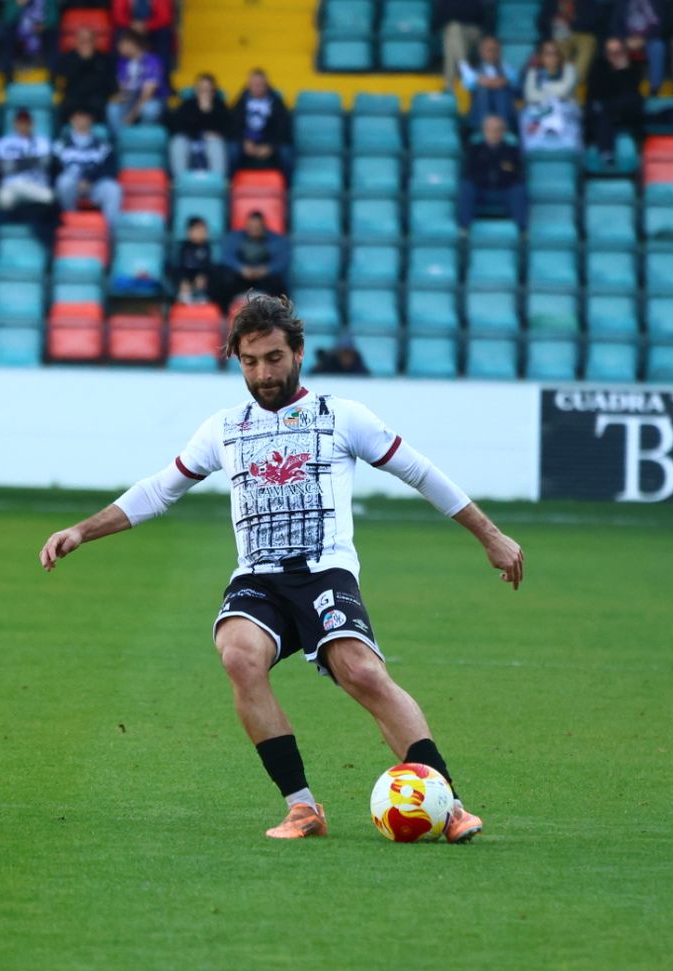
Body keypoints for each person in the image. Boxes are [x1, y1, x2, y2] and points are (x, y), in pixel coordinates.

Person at [38, 294, 520, 841]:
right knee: (238, 655)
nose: (263, 373)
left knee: (360, 671)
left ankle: (449, 805)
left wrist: (491, 535)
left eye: (273, 358)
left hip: (324, 571)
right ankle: (303, 808)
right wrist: (82, 529)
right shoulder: (225, 427)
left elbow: (422, 474)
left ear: (298, 352)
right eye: (249, 361)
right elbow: (158, 491)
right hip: (258, 577)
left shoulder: (342, 416)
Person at [458, 114, 528, 231]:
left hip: (504, 190)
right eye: (490, 130)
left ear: (503, 132)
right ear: (484, 131)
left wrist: (498, 175)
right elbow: (470, 173)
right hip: (482, 190)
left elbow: (517, 174)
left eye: (497, 130)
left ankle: (522, 231)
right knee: (466, 187)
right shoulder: (475, 150)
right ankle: (464, 228)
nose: (494, 133)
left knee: (519, 190)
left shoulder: (511, 151)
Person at [53, 106, 121, 225]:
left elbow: (110, 169)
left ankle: (111, 234)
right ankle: (69, 222)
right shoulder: (60, 144)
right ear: (72, 120)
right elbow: (53, 169)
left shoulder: (102, 146)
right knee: (64, 182)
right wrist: (78, 181)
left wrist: (89, 180)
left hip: (94, 186)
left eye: (84, 117)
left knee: (113, 189)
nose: (81, 120)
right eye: (77, 117)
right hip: (71, 188)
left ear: (90, 120)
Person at [585, 37, 645, 164]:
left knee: (633, 100)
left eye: (618, 52)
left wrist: (623, 71)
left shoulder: (632, 68)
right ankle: (606, 153)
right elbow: (599, 93)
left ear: (624, 52)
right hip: (604, 113)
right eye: (611, 52)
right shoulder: (598, 66)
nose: (615, 56)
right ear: (606, 54)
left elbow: (632, 94)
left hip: (623, 112)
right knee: (601, 113)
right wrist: (615, 73)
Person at [520, 39, 583, 153]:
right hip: (541, 110)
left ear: (560, 56)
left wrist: (544, 89)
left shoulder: (569, 69)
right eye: (548, 54)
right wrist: (553, 91)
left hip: (566, 110)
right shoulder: (533, 71)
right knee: (525, 114)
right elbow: (530, 95)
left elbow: (564, 91)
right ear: (541, 56)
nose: (552, 57)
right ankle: (533, 155)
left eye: (555, 53)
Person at [231, 69, 292, 175]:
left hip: (270, 142)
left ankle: (288, 187)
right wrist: (244, 142)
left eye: (260, 84)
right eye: (254, 84)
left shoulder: (277, 102)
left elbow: (283, 128)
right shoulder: (240, 102)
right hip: (247, 142)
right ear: (249, 86)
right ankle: (229, 184)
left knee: (286, 154)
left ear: (266, 86)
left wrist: (271, 146)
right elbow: (234, 126)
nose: (257, 88)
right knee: (232, 151)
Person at [167, 73, 229, 175]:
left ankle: (218, 181)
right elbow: (177, 125)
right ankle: (180, 181)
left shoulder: (220, 106)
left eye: (207, 89)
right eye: (201, 89)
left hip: (211, 141)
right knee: (178, 143)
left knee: (216, 145)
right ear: (196, 90)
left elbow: (226, 127)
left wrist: (208, 112)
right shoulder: (187, 104)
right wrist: (198, 112)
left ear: (213, 91)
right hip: (189, 139)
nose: (204, 92)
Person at [220, 211, 289, 301]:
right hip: (241, 276)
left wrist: (266, 269)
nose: (254, 230)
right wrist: (241, 268)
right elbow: (227, 257)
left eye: (257, 227)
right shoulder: (235, 238)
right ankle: (224, 311)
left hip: (265, 277)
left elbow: (282, 260)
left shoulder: (276, 241)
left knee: (278, 282)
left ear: (263, 226)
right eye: (251, 227)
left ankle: (280, 310)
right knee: (225, 279)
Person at [0, 108, 54, 211]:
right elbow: (4, 168)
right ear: (14, 124)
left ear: (32, 124)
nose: (23, 126)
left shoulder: (42, 141)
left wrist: (17, 164)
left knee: (49, 198)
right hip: (12, 185)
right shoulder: (3, 142)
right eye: (20, 122)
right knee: (4, 199)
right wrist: (33, 161)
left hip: (36, 185)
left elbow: (45, 163)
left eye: (26, 122)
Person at [55, 25, 116, 124]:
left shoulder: (105, 60)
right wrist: (82, 61)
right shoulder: (66, 60)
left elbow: (111, 86)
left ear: (95, 41)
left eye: (89, 40)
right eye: (82, 41)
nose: (86, 44)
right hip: (72, 107)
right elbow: (60, 84)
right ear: (77, 41)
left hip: (96, 106)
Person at [106, 31, 164, 132]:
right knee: (112, 107)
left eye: (121, 44)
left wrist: (131, 116)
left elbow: (147, 95)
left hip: (151, 98)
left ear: (131, 44)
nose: (118, 47)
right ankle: (121, 140)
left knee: (150, 109)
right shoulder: (122, 62)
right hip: (130, 98)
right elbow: (123, 90)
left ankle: (144, 139)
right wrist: (118, 99)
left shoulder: (152, 61)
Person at [538, 0, 608, 84]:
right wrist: (554, 23)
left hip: (583, 33)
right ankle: (559, 81)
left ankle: (573, 83)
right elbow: (542, 21)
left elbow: (594, 18)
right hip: (560, 34)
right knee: (557, 49)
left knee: (587, 46)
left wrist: (570, 22)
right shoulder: (552, 2)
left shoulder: (587, 2)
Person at [609, 0, 669, 95]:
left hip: (650, 39)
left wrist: (644, 39)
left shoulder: (658, 2)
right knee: (614, 45)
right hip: (627, 39)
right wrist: (625, 40)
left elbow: (661, 26)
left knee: (658, 47)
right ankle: (621, 88)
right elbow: (615, 24)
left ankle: (654, 89)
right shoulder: (622, 2)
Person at [460, 35, 516, 130]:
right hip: (478, 117)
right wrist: (486, 81)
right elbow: (467, 83)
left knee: (502, 90)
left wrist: (500, 81)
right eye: (488, 50)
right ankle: (484, 129)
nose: (492, 53)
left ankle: (501, 128)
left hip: (503, 114)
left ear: (500, 51)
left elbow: (515, 80)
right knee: (483, 90)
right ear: (481, 52)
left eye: (495, 49)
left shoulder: (506, 68)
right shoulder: (473, 70)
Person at [435, 0, 492, 90]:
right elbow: (440, 17)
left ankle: (449, 84)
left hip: (475, 31)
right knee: (453, 30)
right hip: (454, 31)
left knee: (451, 39)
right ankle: (464, 68)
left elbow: (483, 15)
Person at [170, 216, 223, 307]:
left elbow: (208, 266)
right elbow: (176, 266)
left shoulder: (207, 247)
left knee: (218, 272)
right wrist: (182, 281)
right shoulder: (181, 247)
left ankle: (205, 299)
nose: (203, 233)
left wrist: (203, 276)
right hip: (184, 280)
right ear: (189, 232)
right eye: (199, 230)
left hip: (200, 282)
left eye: (204, 230)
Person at [111, 0, 175, 69]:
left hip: (153, 28)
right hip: (129, 26)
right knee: (119, 31)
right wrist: (131, 24)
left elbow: (164, 17)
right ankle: (118, 73)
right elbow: (118, 16)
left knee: (164, 32)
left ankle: (162, 74)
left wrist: (147, 25)